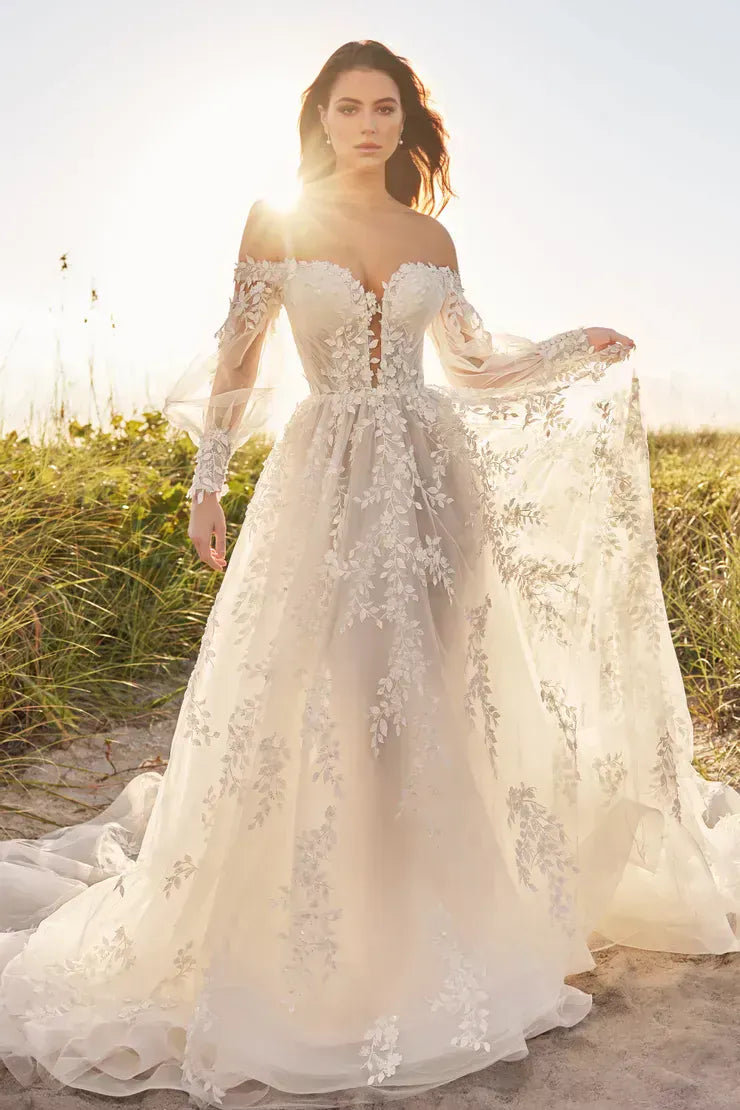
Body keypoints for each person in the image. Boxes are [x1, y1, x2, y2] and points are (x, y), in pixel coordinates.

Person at [1, 38, 738, 1110]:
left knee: (431, 693)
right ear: (319, 117)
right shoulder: (276, 221)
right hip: (327, 481)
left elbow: (474, 365)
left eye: (384, 107)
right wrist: (207, 486)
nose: (367, 125)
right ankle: (337, 931)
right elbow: (239, 358)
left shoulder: (432, 234)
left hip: (434, 485)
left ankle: (435, 914)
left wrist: (570, 347)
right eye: (348, 107)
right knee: (340, 691)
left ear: (406, 120)